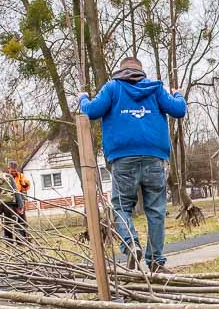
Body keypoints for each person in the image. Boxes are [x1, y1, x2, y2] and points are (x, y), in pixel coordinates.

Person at [77, 56, 187, 272]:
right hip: (154, 157)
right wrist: (178, 93)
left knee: (121, 206)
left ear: (121, 71)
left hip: (123, 158)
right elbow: (179, 109)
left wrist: (82, 98)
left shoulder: (112, 88)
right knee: (155, 210)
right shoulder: (155, 89)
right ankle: (155, 261)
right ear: (140, 71)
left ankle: (131, 243)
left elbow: (90, 111)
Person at [7, 160, 31, 239]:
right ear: (8, 169)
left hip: (19, 200)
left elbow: (26, 187)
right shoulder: (5, 176)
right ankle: (8, 240)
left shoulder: (21, 176)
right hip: (8, 200)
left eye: (15, 170)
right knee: (8, 220)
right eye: (12, 170)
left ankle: (22, 239)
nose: (13, 172)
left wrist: (24, 183)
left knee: (21, 219)